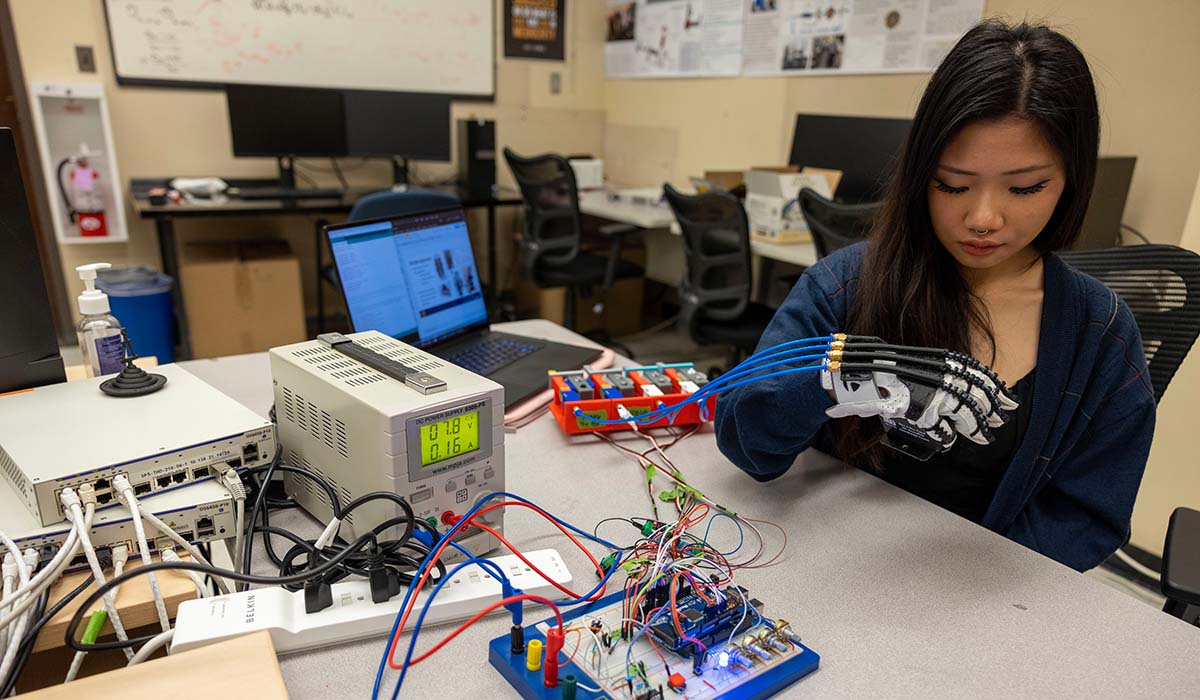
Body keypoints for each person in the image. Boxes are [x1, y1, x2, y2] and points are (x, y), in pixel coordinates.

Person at [715, 19, 1155, 572]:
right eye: (952, 183)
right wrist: (839, 378)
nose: (983, 218)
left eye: (1025, 188)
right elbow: (745, 443)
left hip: (981, 602)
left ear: (1072, 178)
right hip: (821, 571)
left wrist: (962, 593)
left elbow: (1089, 517)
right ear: (920, 172)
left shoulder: (1102, 334)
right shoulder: (844, 284)